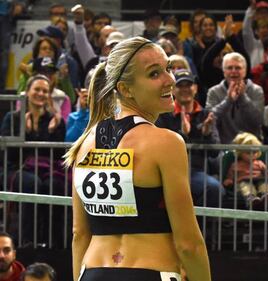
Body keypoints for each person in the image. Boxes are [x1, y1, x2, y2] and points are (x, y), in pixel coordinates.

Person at [64, 36, 211, 281]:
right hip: (151, 272)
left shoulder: (85, 144)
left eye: (168, 68)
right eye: (154, 74)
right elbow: (189, 244)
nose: (170, 80)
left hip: (91, 272)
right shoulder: (167, 143)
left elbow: (79, 234)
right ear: (125, 89)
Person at [1, 75, 67, 247]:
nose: (41, 93)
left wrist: (52, 132)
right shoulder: (13, 117)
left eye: (45, 91)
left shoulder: (56, 121)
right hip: (17, 168)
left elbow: (58, 156)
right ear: (27, 92)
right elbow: (8, 153)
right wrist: (26, 132)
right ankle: (27, 241)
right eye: (37, 89)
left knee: (55, 186)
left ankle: (54, 243)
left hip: (47, 170)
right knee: (32, 185)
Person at [156, 69, 225, 208]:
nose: (185, 89)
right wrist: (182, 134)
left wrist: (206, 135)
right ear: (172, 90)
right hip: (170, 171)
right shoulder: (163, 115)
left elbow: (215, 151)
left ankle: (194, 227)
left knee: (215, 189)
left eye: (188, 85)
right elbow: (160, 146)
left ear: (195, 88)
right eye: (180, 85)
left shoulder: (206, 115)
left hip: (196, 171)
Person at [206, 52, 264, 144]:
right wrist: (228, 101)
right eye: (229, 68)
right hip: (223, 148)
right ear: (224, 72)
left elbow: (258, 121)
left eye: (238, 68)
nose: (233, 71)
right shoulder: (213, 92)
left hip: (251, 148)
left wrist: (243, 98)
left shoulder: (256, 91)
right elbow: (209, 120)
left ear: (245, 71)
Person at [223, 132, 268, 209]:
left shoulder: (259, 163)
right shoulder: (236, 165)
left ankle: (266, 195)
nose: (252, 155)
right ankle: (251, 199)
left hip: (259, 179)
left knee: (265, 184)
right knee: (245, 186)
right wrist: (229, 179)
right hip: (242, 181)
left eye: (255, 152)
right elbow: (231, 174)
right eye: (248, 153)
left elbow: (266, 173)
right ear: (240, 153)